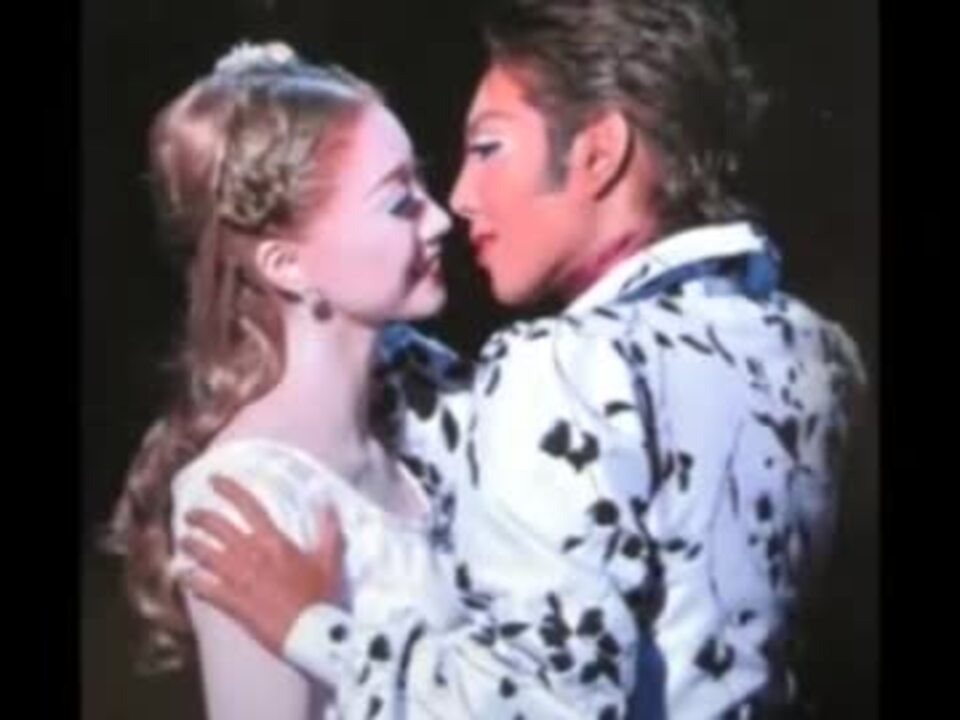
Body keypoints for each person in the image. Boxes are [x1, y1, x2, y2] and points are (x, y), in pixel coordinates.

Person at [180, 1, 868, 717]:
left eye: (488, 149)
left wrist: (313, 630)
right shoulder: (817, 351)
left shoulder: (561, 368)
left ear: (599, 153)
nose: (458, 200)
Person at [103, 41, 472, 720]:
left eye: (421, 186)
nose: (441, 218)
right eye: (400, 203)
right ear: (286, 265)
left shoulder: (431, 405)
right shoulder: (250, 497)